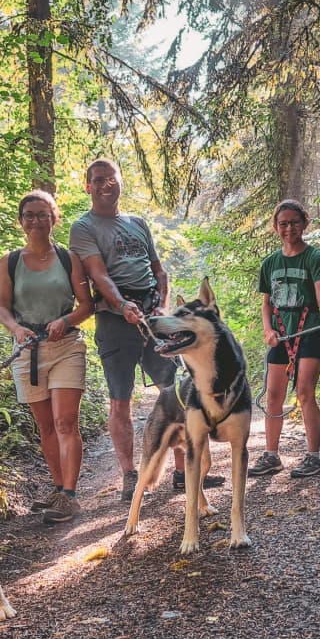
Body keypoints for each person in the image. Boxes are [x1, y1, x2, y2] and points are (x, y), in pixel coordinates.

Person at [69, 158, 223, 501]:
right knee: (120, 400)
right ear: (88, 186)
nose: (107, 185)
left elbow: (159, 270)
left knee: (177, 391)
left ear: (120, 182)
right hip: (114, 321)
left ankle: (185, 472)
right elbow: (98, 274)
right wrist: (123, 305)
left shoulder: (137, 223)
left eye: (112, 179)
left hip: (152, 316)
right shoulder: (84, 227)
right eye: (98, 180)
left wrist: (160, 305)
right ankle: (130, 476)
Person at [0, 190, 95, 524]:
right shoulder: (9, 261)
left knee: (66, 421)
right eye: (29, 215)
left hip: (66, 346)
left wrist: (64, 321)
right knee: (45, 425)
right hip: (28, 350)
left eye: (42, 214)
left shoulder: (69, 259)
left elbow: (86, 305)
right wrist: (16, 329)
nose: (36, 221)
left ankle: (70, 495)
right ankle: (57, 487)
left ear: (54, 218)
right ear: (21, 221)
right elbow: (2, 307)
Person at [249, 199, 320, 479]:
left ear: (304, 224)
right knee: (274, 396)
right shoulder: (270, 263)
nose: (289, 228)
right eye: (283, 223)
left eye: (294, 222)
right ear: (276, 227)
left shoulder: (314, 258)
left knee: (304, 393)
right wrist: (268, 330)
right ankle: (272, 456)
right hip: (280, 336)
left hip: (307, 331)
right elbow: (266, 303)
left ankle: (314, 457)